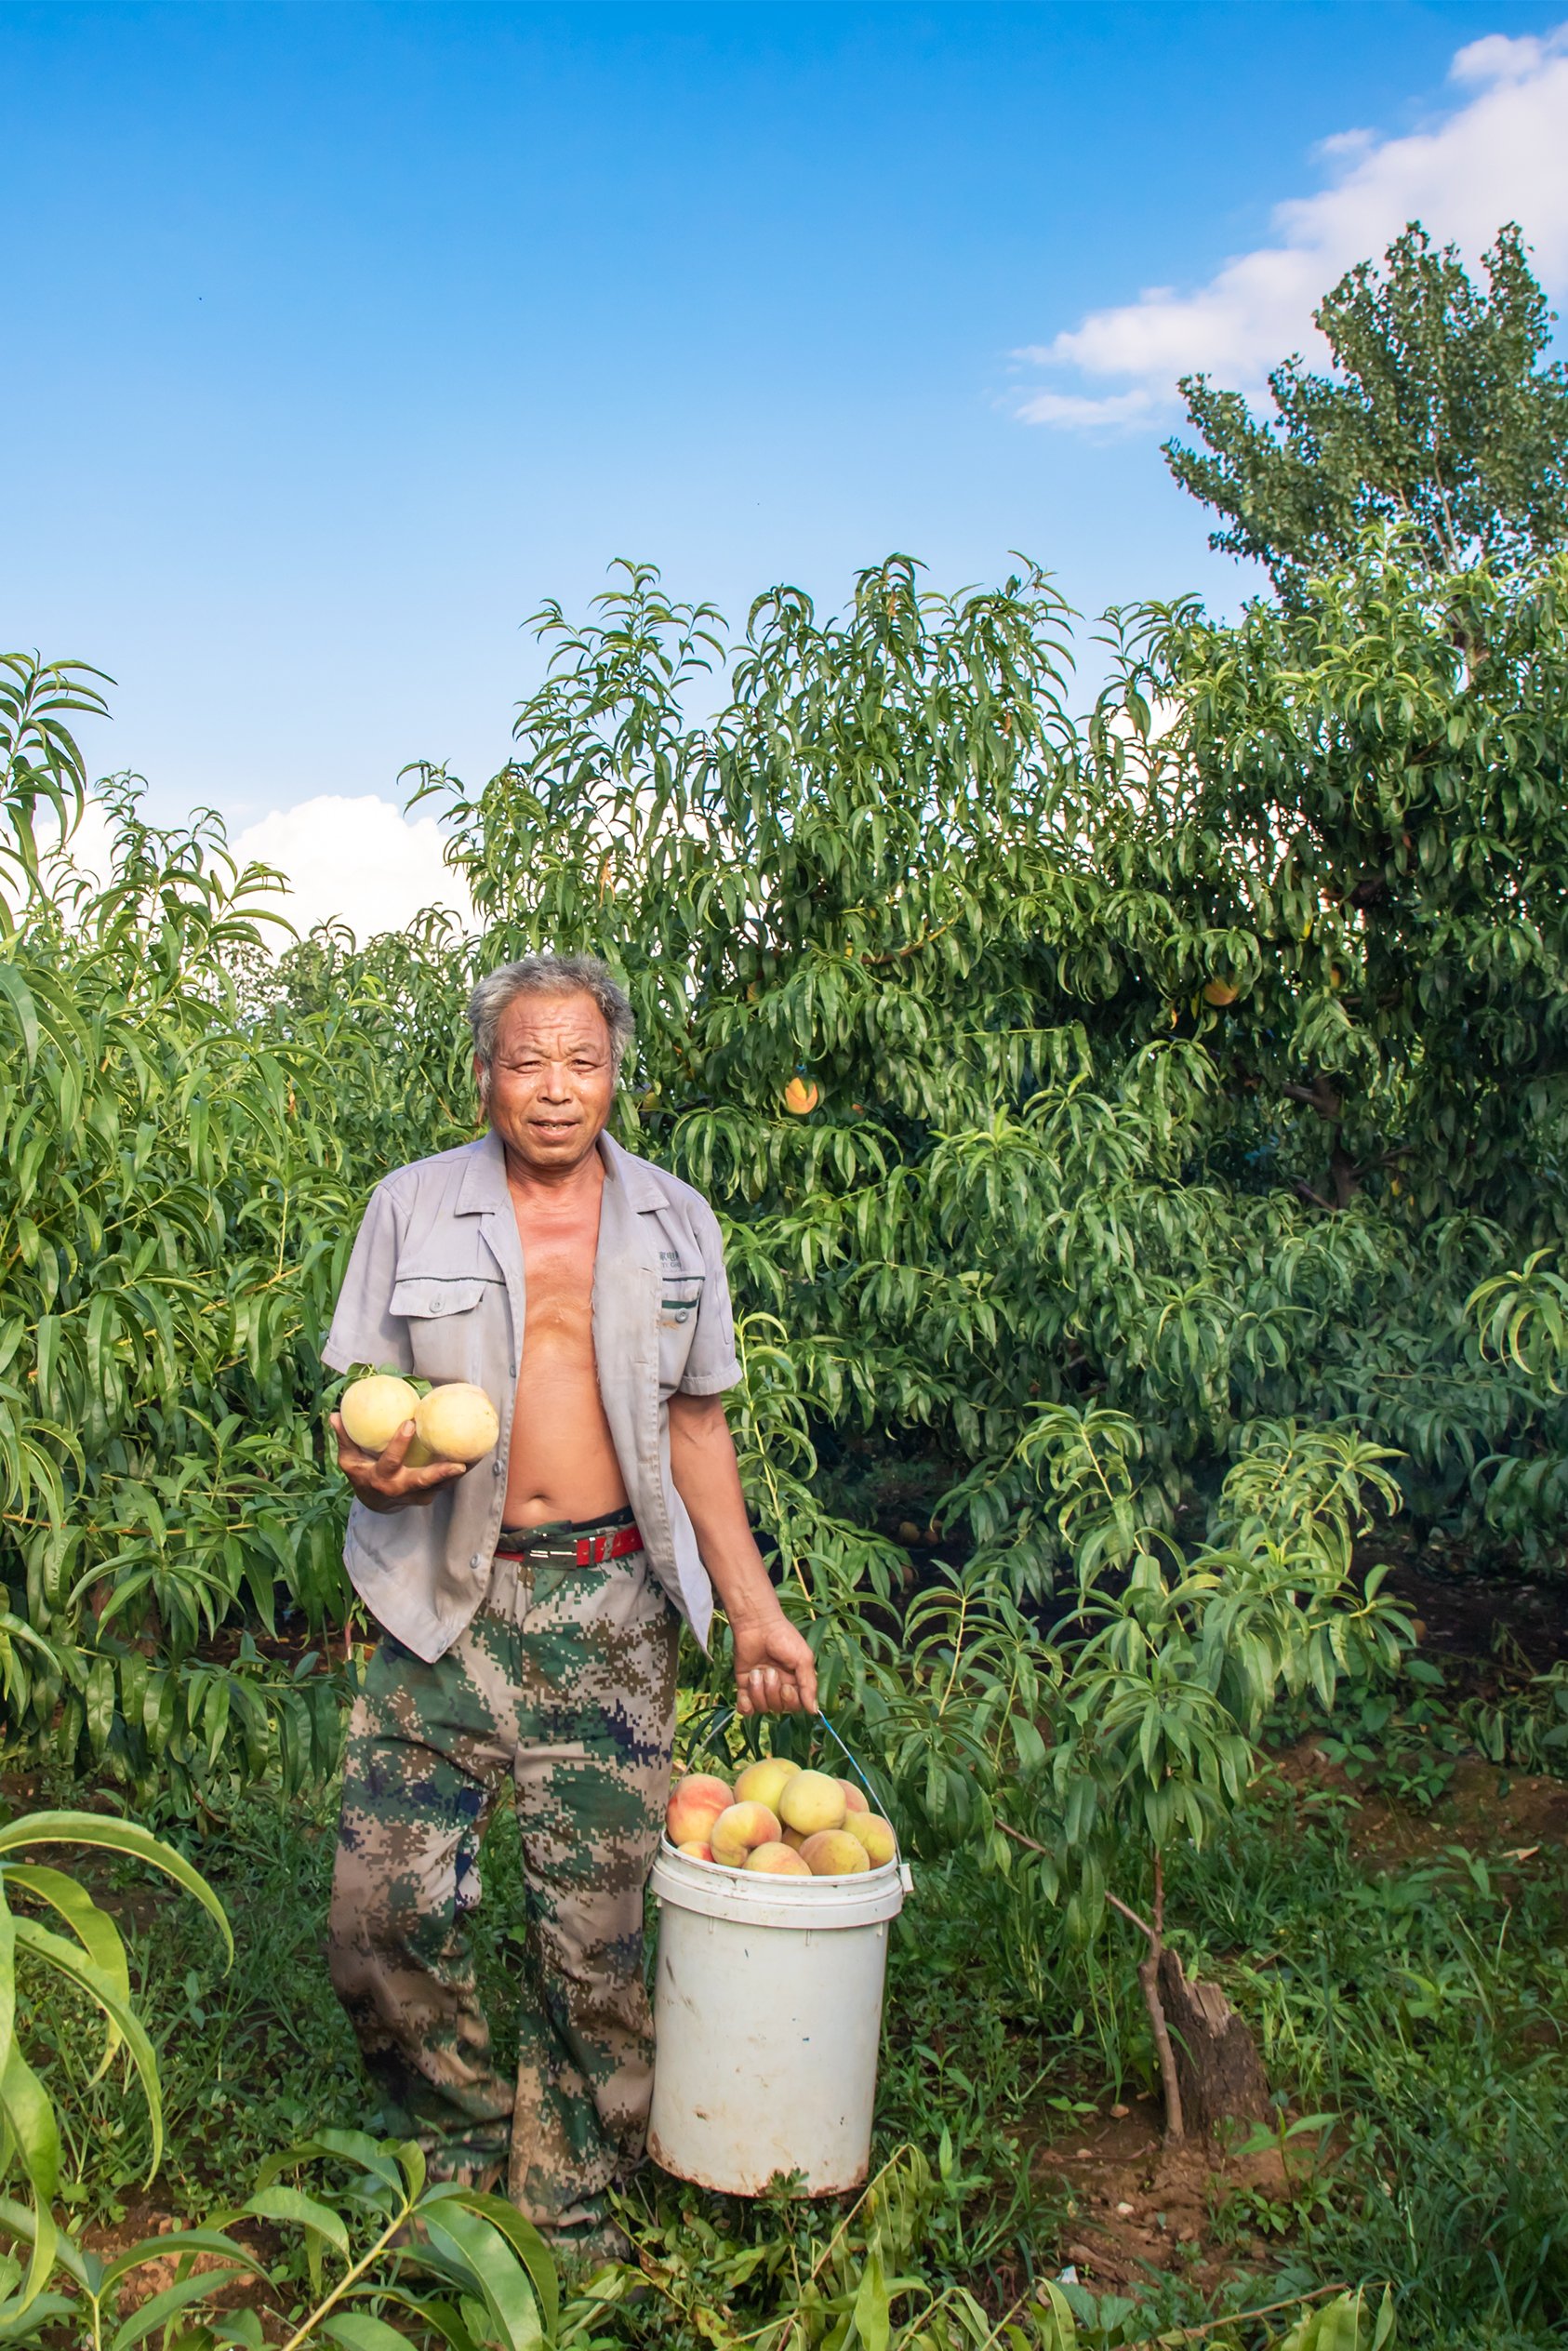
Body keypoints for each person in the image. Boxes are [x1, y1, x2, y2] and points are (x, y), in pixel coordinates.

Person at [322, 952, 817, 2257]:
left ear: (615, 1075)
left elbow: (697, 1425)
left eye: (583, 1062)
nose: (555, 1089)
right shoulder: (411, 1206)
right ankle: (460, 2145)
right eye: (527, 1060)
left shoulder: (672, 1220)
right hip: (439, 1597)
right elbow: (360, 1414)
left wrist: (753, 1608)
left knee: (590, 1929)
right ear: (482, 1071)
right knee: (383, 1915)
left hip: (611, 1606)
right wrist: (370, 1464)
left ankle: (569, 2200)